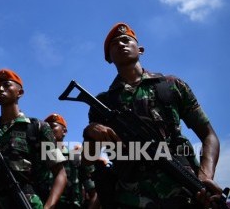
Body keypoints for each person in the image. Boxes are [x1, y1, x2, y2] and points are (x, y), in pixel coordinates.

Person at [82, 22, 223, 208]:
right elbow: (88, 159)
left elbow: (208, 135)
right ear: (108, 58)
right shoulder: (102, 103)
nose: (121, 44)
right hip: (131, 198)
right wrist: (90, 132)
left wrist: (204, 175)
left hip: (183, 188)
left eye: (126, 40)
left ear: (140, 49)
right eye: (114, 44)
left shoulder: (171, 85)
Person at [0, 69, 67, 209]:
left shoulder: (38, 127)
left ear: (19, 92)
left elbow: (60, 173)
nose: (0, 89)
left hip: (29, 202)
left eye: (6, 84)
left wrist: (48, 207)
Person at [43, 113, 98, 209]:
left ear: (64, 131)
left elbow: (94, 194)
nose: (48, 131)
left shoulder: (77, 158)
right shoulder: (39, 157)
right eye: (46, 128)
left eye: (53, 126)